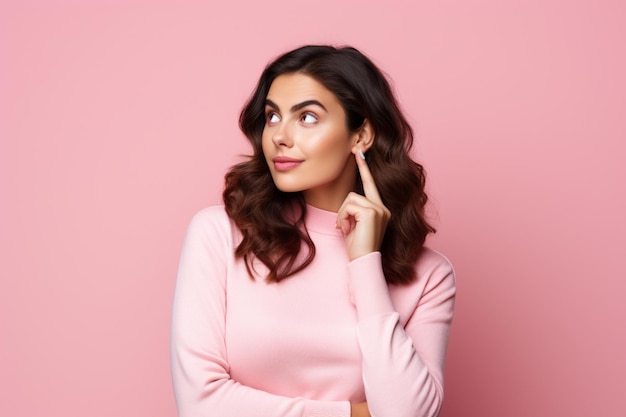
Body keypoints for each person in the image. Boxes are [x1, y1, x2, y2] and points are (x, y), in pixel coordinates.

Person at [170, 45, 456, 417]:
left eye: (306, 117)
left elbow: (407, 413)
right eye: (273, 117)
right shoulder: (219, 234)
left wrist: (365, 262)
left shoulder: (430, 276)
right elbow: (200, 405)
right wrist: (354, 414)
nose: (279, 137)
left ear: (361, 135)